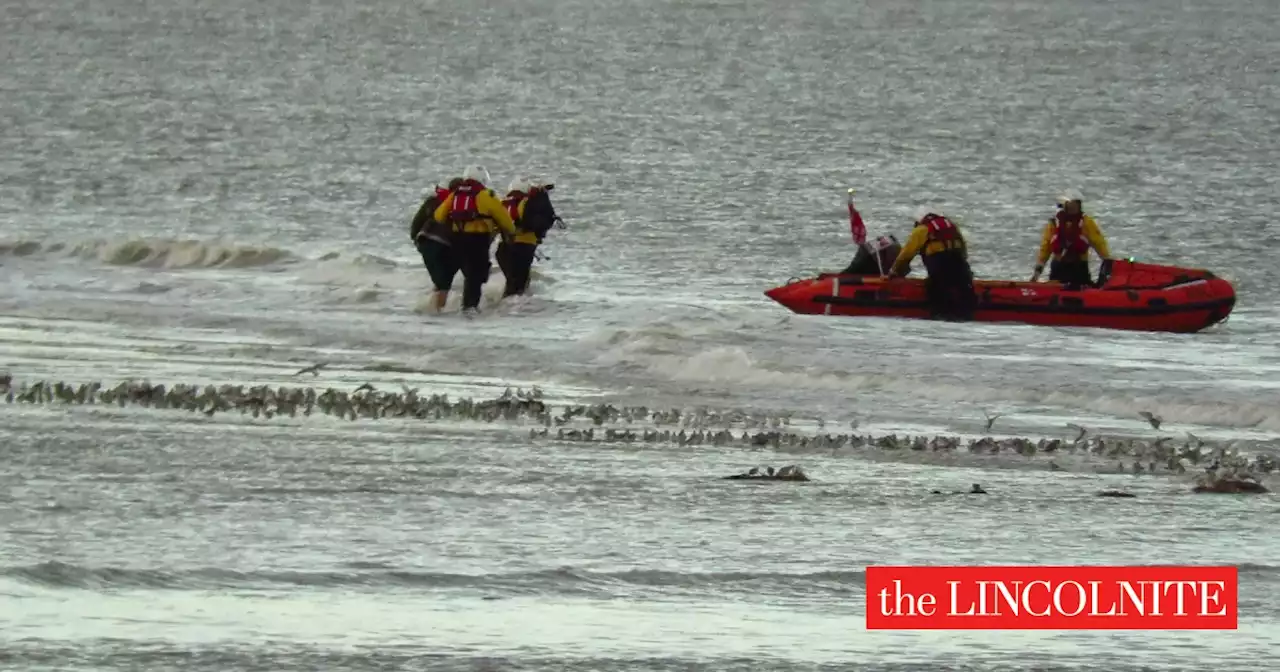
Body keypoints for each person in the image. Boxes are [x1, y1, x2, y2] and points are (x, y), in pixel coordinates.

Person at [430, 165, 516, 314]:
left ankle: (440, 307)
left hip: (457, 240)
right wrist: (510, 231)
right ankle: (469, 308)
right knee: (476, 276)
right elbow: (506, 220)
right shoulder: (486, 195)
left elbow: (438, 215)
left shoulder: (455, 194)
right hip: (478, 241)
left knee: (459, 274)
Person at [883, 206, 977, 321]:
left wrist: (894, 270)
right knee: (965, 288)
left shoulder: (922, 229)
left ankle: (939, 315)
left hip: (939, 264)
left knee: (935, 289)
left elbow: (906, 254)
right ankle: (967, 314)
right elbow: (963, 249)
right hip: (959, 263)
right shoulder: (951, 226)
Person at [1030, 190, 1112, 287]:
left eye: (1076, 204)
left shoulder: (1086, 222)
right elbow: (1045, 250)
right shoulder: (1054, 224)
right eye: (1071, 204)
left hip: (1079, 268)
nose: (1073, 207)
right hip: (1059, 268)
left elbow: (1099, 243)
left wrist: (1108, 262)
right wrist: (1036, 274)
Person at [494, 177, 557, 298]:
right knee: (519, 286)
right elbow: (539, 224)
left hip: (503, 249)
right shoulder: (529, 203)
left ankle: (502, 308)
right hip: (524, 247)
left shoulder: (503, 203)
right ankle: (516, 311)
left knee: (512, 283)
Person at [410, 177, 462, 312]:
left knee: (439, 281)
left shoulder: (432, 201)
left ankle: (432, 308)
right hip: (446, 245)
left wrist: (417, 242)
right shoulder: (459, 203)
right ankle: (438, 310)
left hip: (425, 241)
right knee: (444, 283)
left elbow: (416, 224)